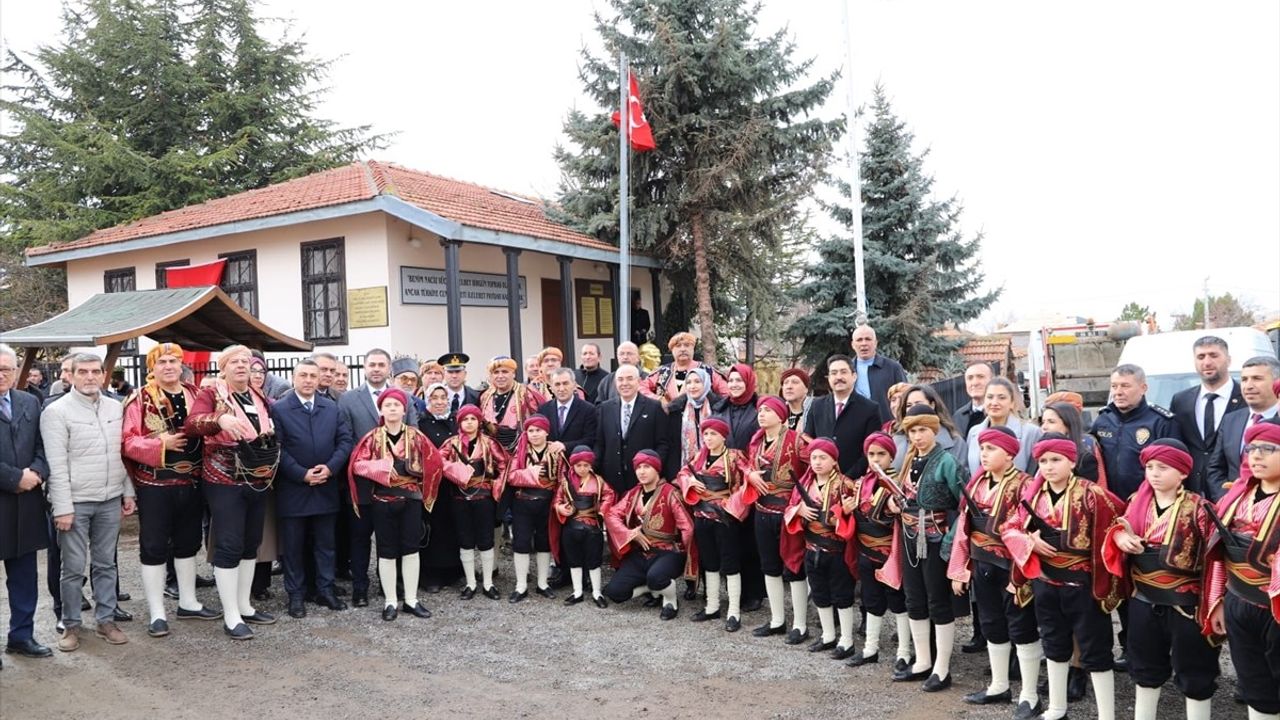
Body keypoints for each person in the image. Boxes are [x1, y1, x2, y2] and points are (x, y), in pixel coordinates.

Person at [1001, 434, 1129, 720]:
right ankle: (1057, 708)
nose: (1049, 466)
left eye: (1056, 460)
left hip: (1083, 585)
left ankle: (1106, 715)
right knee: (1053, 644)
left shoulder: (1092, 494)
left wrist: (1120, 537)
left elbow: (1118, 521)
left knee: (1096, 648)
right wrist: (1029, 541)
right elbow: (1009, 528)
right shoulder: (1033, 496)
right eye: (1043, 461)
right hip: (1046, 581)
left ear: (1072, 461)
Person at [1102, 439, 1218, 720]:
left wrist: (1214, 603)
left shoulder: (1200, 508)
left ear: (1182, 473)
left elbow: (1216, 558)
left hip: (1186, 605)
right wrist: (1120, 535)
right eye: (1150, 467)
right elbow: (1119, 525)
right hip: (1144, 599)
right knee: (1144, 668)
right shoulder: (1136, 503)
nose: (1154, 473)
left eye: (1163, 467)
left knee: (1196, 671)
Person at [121, 343, 220, 638]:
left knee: (188, 543)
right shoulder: (139, 399)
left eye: (173, 361)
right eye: (162, 361)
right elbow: (127, 441)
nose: (168, 366)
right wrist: (160, 444)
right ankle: (156, 612)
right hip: (155, 484)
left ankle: (188, 602)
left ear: (181, 365)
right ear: (152, 367)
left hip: (191, 481)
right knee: (153, 546)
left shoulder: (194, 394)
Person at [184, 345, 279, 640]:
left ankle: (244, 605)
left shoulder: (257, 394)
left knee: (251, 543)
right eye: (234, 362)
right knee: (229, 544)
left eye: (245, 362)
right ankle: (231, 615)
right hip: (224, 477)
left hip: (257, 475)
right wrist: (219, 420)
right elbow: (191, 425)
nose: (241, 366)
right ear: (223, 367)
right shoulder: (212, 393)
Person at [946, 426, 1042, 716]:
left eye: (991, 449)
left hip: (1013, 567)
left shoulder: (1025, 485)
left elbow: (1031, 530)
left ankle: (1029, 695)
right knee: (991, 623)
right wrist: (959, 568)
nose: (984, 454)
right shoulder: (976, 484)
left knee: (1021, 627)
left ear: (1010, 454)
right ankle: (999, 685)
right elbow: (964, 529)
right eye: (982, 448)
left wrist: (1020, 574)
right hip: (983, 562)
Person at [43, 352, 134, 650]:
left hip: (108, 499)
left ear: (103, 375)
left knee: (106, 564)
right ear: (70, 375)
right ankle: (70, 625)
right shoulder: (57, 412)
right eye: (83, 371)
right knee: (72, 568)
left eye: (96, 371)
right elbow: (55, 465)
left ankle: (106, 620)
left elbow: (120, 455)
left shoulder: (115, 407)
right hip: (76, 503)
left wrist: (127, 492)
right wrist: (63, 507)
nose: (90, 377)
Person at [877, 406, 966, 692]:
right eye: (913, 431)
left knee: (938, 600)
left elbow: (964, 503)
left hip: (936, 538)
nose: (917, 436)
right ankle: (923, 661)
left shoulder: (947, 461)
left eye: (923, 430)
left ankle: (942, 668)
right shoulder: (909, 459)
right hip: (907, 536)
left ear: (934, 430)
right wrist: (893, 503)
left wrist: (951, 539)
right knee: (914, 598)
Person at [1206, 418, 1280, 719]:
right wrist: (1217, 602)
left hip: (1275, 608)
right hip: (1238, 599)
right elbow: (1217, 554)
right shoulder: (1235, 497)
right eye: (1252, 448)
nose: (1257, 455)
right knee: (1253, 683)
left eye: (1269, 449)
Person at [348, 388, 444, 621]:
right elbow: (357, 465)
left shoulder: (416, 436)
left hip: (410, 501)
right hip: (381, 501)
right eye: (387, 405)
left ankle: (411, 600)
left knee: (411, 550)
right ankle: (390, 601)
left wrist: (418, 473)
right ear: (381, 409)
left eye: (397, 405)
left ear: (404, 410)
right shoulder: (371, 438)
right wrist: (382, 469)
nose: (392, 409)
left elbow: (436, 462)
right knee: (386, 551)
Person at [270, 358, 353, 620]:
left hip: (325, 486)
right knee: (293, 546)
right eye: (303, 375)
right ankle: (296, 594)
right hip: (294, 488)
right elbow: (277, 448)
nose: (308, 380)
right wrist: (301, 474)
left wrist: (330, 468)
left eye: (312, 376)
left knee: (325, 544)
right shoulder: (280, 409)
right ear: (294, 378)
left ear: (319, 380)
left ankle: (325, 589)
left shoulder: (331, 408)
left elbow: (345, 441)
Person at [337, 349, 408, 608]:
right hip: (363, 484)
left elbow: (414, 438)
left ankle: (391, 583)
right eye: (372, 365)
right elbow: (344, 438)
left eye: (381, 365)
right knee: (360, 536)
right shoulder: (347, 400)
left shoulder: (404, 398)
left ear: (389, 368)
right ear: (364, 368)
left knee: (392, 536)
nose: (376, 369)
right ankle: (360, 587)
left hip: (397, 483)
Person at [0, 344, 54, 665]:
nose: (1, 375)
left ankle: (21, 636)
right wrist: (13, 478)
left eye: (7, 369)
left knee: (24, 577)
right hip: (5, 495)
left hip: (25, 508)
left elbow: (43, 445)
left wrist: (36, 471)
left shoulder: (28, 401)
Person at [783, 437, 859, 659]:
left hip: (837, 551)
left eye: (823, 457)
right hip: (811, 547)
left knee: (842, 595)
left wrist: (840, 515)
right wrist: (798, 510)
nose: (817, 462)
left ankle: (846, 639)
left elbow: (854, 516)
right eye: (814, 457)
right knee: (819, 593)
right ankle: (827, 635)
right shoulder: (805, 484)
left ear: (834, 461)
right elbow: (790, 507)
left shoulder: (846, 484)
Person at [844, 432, 913, 672]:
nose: (876, 459)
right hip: (865, 549)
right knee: (870, 599)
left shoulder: (899, 483)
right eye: (871, 454)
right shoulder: (861, 483)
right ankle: (870, 649)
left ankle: (904, 651)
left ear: (891, 456)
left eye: (881, 454)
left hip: (890, 554)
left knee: (898, 602)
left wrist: (896, 507)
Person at [674, 417, 752, 631]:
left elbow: (748, 478)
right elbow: (683, 472)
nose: (708, 438)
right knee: (709, 561)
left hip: (725, 517)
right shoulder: (699, 456)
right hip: (702, 515)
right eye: (706, 434)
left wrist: (733, 504)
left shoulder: (734, 456)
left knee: (730, 562)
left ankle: (734, 611)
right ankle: (712, 606)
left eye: (713, 434)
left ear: (723, 436)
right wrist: (689, 482)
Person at [745, 395, 810, 643]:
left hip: (788, 513)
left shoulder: (796, 441)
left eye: (767, 410)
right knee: (769, 566)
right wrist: (750, 473)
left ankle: (800, 625)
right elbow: (746, 465)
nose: (761, 414)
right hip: (762, 511)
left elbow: (813, 470)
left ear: (781, 415)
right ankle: (777, 620)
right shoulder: (756, 442)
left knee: (794, 566)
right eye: (760, 410)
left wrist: (802, 501)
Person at [602, 450, 696, 620]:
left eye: (647, 467)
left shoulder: (671, 493)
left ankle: (670, 600)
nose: (642, 472)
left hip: (668, 552)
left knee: (657, 577)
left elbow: (687, 527)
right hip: (641, 553)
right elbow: (611, 514)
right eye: (638, 467)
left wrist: (686, 555)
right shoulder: (633, 494)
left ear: (657, 469)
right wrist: (630, 534)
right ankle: (651, 589)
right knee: (614, 592)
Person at [439, 404, 507, 599]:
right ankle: (470, 583)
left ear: (479, 422)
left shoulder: (489, 443)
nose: (469, 423)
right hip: (459, 497)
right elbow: (437, 460)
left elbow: (504, 464)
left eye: (473, 419)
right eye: (465, 419)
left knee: (486, 539)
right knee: (465, 539)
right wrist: (456, 471)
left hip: (484, 497)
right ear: (459, 422)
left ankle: (488, 583)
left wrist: (496, 486)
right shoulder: (451, 443)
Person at [1092, 364, 1181, 502]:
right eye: (1114, 386)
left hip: (1146, 501)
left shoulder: (1161, 422)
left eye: (1125, 386)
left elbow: (1174, 468)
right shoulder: (1104, 419)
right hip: (1107, 500)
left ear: (1143, 388)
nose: (1118, 392)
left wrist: (1145, 493)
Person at [1170, 336, 1245, 496]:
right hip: (1190, 494)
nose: (1207, 362)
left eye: (1214, 355)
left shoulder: (1246, 399)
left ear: (1229, 360)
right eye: (1201, 357)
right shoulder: (1181, 400)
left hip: (1231, 492)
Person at [505, 415, 565, 602]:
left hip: (547, 503)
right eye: (531, 431)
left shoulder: (556, 452)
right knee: (521, 543)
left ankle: (542, 583)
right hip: (523, 502)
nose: (534, 434)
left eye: (538, 430)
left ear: (547, 432)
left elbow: (563, 479)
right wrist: (530, 474)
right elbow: (511, 476)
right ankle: (521, 585)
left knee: (544, 542)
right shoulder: (520, 452)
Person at [1206, 356, 1280, 501]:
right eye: (1244, 379)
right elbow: (1215, 467)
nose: (1248, 385)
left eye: (1257, 378)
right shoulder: (1231, 420)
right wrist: (1229, 502)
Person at [551, 446, 616, 608]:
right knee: (574, 559)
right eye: (579, 465)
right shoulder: (565, 482)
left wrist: (602, 510)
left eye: (586, 465)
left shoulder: (599, 481)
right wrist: (560, 508)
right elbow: (557, 500)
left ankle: (596, 592)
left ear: (591, 465)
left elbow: (610, 495)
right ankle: (577, 591)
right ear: (573, 465)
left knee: (594, 560)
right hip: (571, 527)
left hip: (592, 528)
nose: (582, 468)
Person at [416, 383, 463, 592]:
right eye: (434, 398)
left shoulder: (456, 422)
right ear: (427, 400)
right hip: (432, 485)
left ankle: (453, 572)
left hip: (453, 485)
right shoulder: (421, 424)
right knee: (433, 530)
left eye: (443, 397)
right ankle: (431, 575)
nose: (439, 402)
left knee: (453, 528)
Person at [803, 354, 881, 478]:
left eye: (843, 372)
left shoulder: (870, 409)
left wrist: (847, 478)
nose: (838, 377)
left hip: (854, 482)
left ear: (854, 376)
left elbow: (870, 450)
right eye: (834, 373)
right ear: (828, 378)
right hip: (821, 479)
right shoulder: (817, 405)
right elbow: (808, 440)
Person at [594, 365, 668, 496]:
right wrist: (594, 470)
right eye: (620, 380)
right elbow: (600, 443)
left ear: (639, 381)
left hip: (643, 480)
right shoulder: (605, 408)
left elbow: (663, 443)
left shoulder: (654, 407)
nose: (625, 383)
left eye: (629, 379)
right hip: (612, 480)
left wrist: (654, 468)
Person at [964, 377, 1042, 478]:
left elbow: (1035, 473)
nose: (994, 403)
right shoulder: (974, 433)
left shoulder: (1031, 433)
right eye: (990, 397)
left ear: (1012, 402)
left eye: (1002, 398)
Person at [479, 355, 545, 452]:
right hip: (492, 450)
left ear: (513, 374)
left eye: (505, 372)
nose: (500, 376)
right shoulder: (485, 396)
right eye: (496, 372)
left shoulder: (527, 394)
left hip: (521, 449)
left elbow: (539, 422)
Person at [642, 332, 728, 406]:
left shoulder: (707, 371)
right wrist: (658, 399)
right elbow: (640, 388)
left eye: (687, 345)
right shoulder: (662, 372)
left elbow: (727, 394)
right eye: (678, 346)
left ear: (693, 348)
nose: (683, 349)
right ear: (672, 350)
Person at [890, 385, 964, 469]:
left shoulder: (954, 441)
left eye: (919, 403)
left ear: (932, 405)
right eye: (909, 405)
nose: (914, 408)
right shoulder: (897, 440)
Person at [850, 324, 909, 425]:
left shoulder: (893, 368)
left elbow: (906, 398)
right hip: (856, 427)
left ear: (875, 343)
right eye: (859, 340)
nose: (864, 343)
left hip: (888, 428)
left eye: (868, 339)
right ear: (853, 344)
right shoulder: (847, 370)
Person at [1040, 399, 1106, 487]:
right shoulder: (1041, 453)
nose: (1044, 427)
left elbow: (1085, 495)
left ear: (1068, 425)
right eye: (1043, 422)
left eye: (1051, 422)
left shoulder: (1084, 459)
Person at [665, 367, 720, 471]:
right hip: (684, 471)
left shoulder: (718, 408)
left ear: (706, 383)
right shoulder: (676, 410)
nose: (692, 386)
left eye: (697, 382)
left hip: (714, 469)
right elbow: (671, 445)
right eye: (689, 382)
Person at [537, 367, 597, 456]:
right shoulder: (543, 410)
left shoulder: (588, 410)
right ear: (551, 387)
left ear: (574, 385)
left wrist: (565, 446)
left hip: (577, 464)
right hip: (550, 463)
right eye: (557, 384)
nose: (561, 388)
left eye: (565, 383)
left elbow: (590, 439)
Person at [712, 363, 761, 451]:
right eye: (730, 381)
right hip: (724, 462)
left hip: (751, 462)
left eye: (739, 380)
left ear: (748, 381)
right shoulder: (719, 409)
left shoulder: (760, 408)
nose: (734, 385)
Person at [953, 361, 993, 440]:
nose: (974, 383)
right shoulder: (958, 417)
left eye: (980, 377)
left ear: (992, 380)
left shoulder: (1000, 413)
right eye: (970, 378)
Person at [438, 352, 480, 417]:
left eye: (458, 372)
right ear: (444, 374)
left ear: (465, 374)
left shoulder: (476, 397)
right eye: (450, 372)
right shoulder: (435, 397)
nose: (454, 376)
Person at [780, 368, 813, 433]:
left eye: (795, 382)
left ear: (806, 389)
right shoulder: (779, 413)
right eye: (786, 383)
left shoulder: (816, 411)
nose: (789, 387)